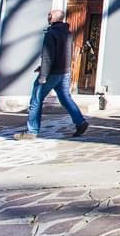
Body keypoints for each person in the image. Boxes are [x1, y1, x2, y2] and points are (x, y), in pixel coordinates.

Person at [14, 10, 89, 140]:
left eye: (50, 15)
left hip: (52, 72)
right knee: (65, 98)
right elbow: (63, 54)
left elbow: (48, 56)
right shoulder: (68, 33)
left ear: (54, 18)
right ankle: (80, 122)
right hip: (64, 71)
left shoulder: (51, 33)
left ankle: (32, 131)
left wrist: (43, 75)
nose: (48, 16)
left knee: (36, 100)